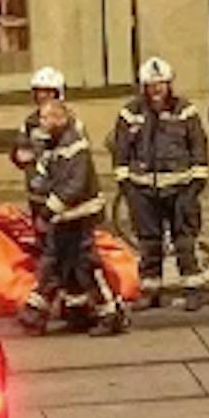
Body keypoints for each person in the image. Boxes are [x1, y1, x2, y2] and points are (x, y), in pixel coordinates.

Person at [18, 100, 127, 336]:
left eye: (47, 118)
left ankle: (111, 313)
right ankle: (70, 312)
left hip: (80, 215)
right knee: (58, 265)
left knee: (86, 265)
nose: (43, 123)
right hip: (63, 217)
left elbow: (74, 186)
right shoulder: (52, 145)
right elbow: (45, 176)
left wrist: (47, 210)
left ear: (60, 119)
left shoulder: (74, 145)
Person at [111, 56, 208, 312]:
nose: (157, 90)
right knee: (149, 243)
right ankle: (151, 290)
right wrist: (127, 187)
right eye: (152, 85)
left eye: (162, 84)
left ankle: (193, 288)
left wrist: (196, 184)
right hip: (143, 190)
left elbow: (199, 145)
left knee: (185, 240)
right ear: (143, 86)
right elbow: (121, 151)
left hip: (181, 188)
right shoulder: (130, 113)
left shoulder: (185, 110)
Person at [12, 66, 67, 227]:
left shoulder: (70, 123)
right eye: (40, 92)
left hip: (62, 193)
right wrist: (19, 156)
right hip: (37, 192)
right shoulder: (30, 123)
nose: (43, 96)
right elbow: (18, 152)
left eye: (49, 92)